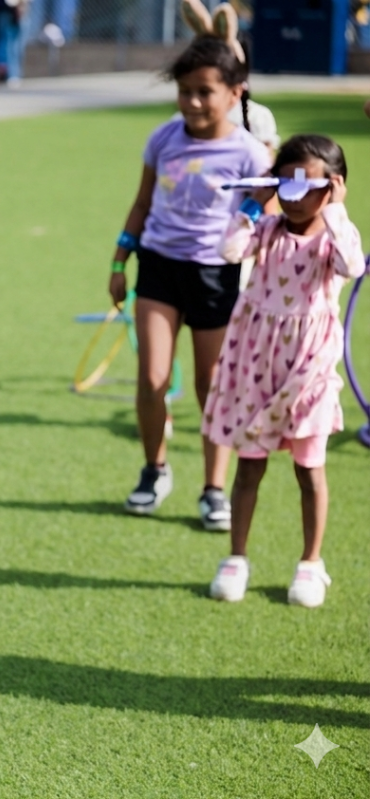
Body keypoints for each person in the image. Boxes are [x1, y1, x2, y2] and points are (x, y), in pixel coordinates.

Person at [109, 37, 272, 530]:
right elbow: (142, 204)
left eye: (205, 91)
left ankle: (214, 488)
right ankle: (154, 469)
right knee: (152, 378)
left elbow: (265, 203)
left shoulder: (248, 152)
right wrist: (119, 262)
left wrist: (242, 225)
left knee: (211, 386)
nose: (193, 102)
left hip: (215, 276)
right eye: (185, 91)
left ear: (235, 93)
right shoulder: (163, 139)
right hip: (158, 266)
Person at [205, 135, 364, 608]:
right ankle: (237, 557)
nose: (295, 200)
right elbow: (230, 250)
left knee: (309, 468)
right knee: (249, 466)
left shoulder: (335, 238)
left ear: (332, 187)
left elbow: (353, 265)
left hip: (308, 374)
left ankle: (311, 563)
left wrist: (335, 209)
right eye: (286, 185)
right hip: (258, 366)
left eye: (307, 187)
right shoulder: (268, 230)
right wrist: (255, 204)